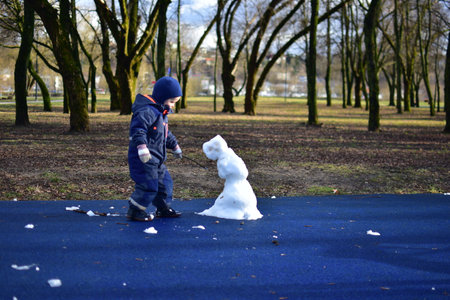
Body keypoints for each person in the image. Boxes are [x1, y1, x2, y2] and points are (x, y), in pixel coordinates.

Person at [127, 76, 183, 221]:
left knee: (165, 184)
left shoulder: (161, 112)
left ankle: (163, 208)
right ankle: (135, 211)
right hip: (144, 158)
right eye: (171, 101)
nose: (172, 105)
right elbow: (138, 130)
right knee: (149, 185)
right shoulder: (147, 111)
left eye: (175, 102)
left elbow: (165, 133)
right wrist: (142, 147)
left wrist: (175, 146)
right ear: (162, 97)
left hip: (158, 159)